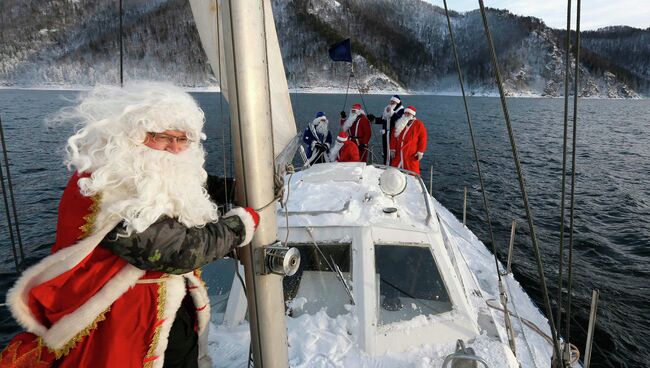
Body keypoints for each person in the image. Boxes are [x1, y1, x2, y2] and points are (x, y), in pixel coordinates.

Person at [0, 82, 259, 368]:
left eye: (184, 139)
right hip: (118, 323)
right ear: (132, 135)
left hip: (166, 315)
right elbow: (179, 251)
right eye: (162, 137)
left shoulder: (149, 166)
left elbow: (189, 183)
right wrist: (240, 226)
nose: (175, 149)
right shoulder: (107, 183)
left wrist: (236, 188)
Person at [389, 106, 427, 174]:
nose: (406, 115)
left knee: (412, 173)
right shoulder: (399, 123)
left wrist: (420, 152)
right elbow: (393, 137)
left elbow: (423, 139)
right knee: (393, 172)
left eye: (408, 113)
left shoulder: (419, 124)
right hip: (398, 153)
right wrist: (392, 149)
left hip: (410, 155)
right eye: (405, 113)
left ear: (413, 115)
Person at [369, 95, 404, 165]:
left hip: (393, 134)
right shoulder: (387, 109)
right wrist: (374, 119)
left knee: (392, 151)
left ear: (397, 102)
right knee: (385, 151)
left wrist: (391, 112)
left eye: (393, 102)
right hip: (385, 134)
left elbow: (398, 119)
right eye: (391, 101)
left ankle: (392, 166)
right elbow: (383, 120)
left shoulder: (401, 110)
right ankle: (385, 165)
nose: (391, 103)